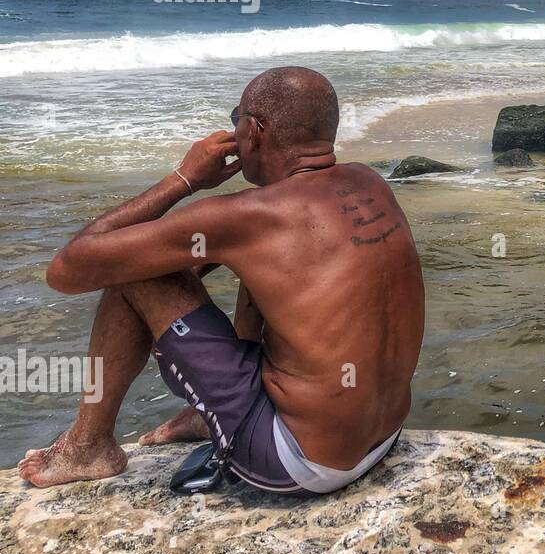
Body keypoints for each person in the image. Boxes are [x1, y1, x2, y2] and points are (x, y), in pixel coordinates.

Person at [21, 67, 425, 494]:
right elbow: (262, 254)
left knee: (134, 272)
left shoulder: (248, 217)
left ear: (253, 132)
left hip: (300, 462)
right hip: (382, 436)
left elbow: (69, 268)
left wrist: (184, 180)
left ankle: (88, 447)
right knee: (223, 269)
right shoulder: (369, 182)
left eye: (237, 119)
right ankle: (209, 411)